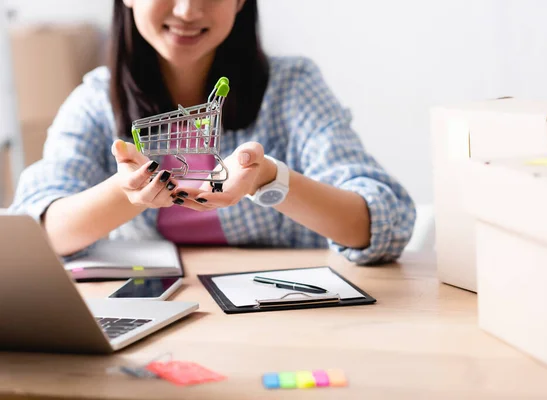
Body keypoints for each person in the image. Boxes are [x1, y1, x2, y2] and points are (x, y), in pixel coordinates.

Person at [9, 0, 416, 265]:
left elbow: (383, 224)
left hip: (287, 314)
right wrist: (127, 191)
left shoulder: (293, 87)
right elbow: (35, 234)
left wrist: (271, 179)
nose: (187, 10)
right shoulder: (96, 100)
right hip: (162, 316)